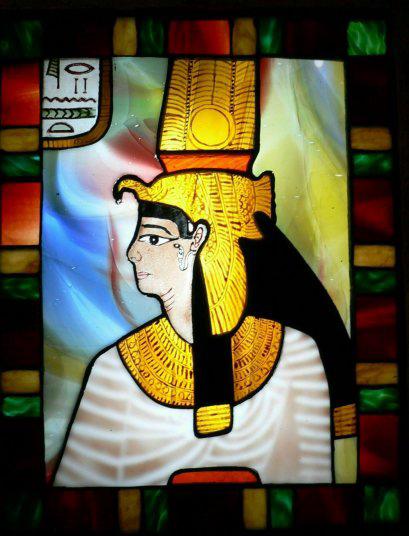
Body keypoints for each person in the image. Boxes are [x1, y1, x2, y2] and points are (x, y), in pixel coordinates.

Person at [53, 170, 356, 487]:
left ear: (196, 240)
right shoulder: (113, 370)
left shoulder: (296, 356)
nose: (132, 253)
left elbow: (316, 498)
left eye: (153, 238)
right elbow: (76, 500)